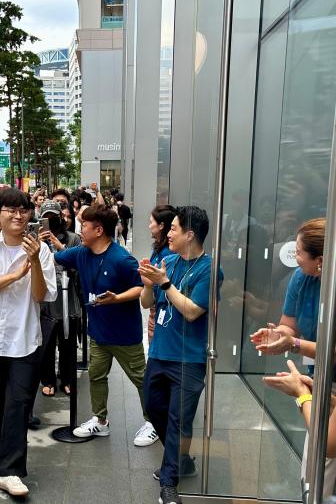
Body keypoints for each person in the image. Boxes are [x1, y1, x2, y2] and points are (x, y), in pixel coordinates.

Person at [0, 188, 57, 497]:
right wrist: (16, 274)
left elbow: (41, 296)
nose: (18, 216)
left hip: (25, 337)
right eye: (10, 210)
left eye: (23, 211)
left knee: (19, 402)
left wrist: (32, 265)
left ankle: (12, 470)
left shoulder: (41, 251)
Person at [53, 204, 157, 445]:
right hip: (98, 333)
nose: (80, 231)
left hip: (124, 334)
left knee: (141, 379)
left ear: (99, 230)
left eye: (84, 227)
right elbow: (56, 257)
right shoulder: (81, 252)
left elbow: (141, 287)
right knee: (97, 376)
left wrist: (117, 298)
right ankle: (100, 422)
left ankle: (153, 422)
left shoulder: (122, 258)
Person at [139, 205, 221, 504]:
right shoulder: (167, 260)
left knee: (177, 421)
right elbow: (148, 302)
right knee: (152, 406)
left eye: (172, 228)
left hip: (189, 359)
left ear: (190, 235)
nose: (167, 232)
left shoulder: (210, 269)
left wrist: (164, 283)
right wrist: (149, 284)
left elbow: (192, 311)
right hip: (160, 352)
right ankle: (181, 458)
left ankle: (169, 483)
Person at [249, 218, 333, 499]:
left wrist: (294, 346)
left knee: (325, 454)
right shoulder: (301, 278)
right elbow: (289, 325)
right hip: (319, 374)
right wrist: (278, 336)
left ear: (320, 260)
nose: (293, 256)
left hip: (325, 374)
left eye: (298, 252)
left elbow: (330, 350)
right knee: (316, 454)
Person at [38, 200, 81, 396]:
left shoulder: (73, 239)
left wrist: (60, 246)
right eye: (46, 217)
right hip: (44, 300)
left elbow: (78, 266)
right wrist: (39, 243)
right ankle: (47, 379)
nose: (50, 221)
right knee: (45, 343)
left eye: (53, 217)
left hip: (67, 297)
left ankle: (68, 378)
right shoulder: (35, 238)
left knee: (68, 343)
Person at [147, 205, 177, 344]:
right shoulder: (159, 247)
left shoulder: (168, 253)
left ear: (161, 226)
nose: (149, 226)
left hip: (164, 305)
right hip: (155, 304)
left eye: (151, 222)